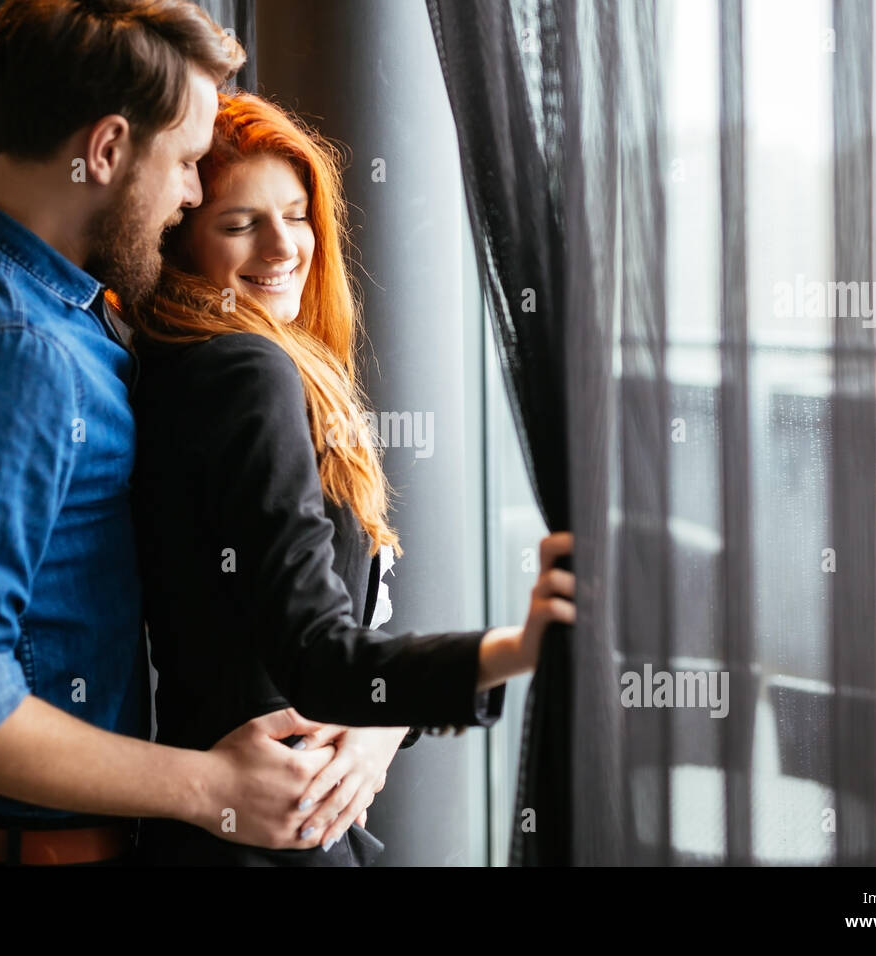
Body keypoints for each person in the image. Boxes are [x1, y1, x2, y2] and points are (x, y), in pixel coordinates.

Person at [0, 0, 349, 867]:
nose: (191, 193)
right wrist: (213, 787)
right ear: (106, 151)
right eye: (185, 162)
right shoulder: (14, 352)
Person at [127, 92, 576, 866]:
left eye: (297, 214)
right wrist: (515, 648)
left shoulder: (183, 366)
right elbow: (319, 658)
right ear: (181, 243)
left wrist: (382, 724)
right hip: (274, 830)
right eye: (239, 225)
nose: (282, 248)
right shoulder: (246, 370)